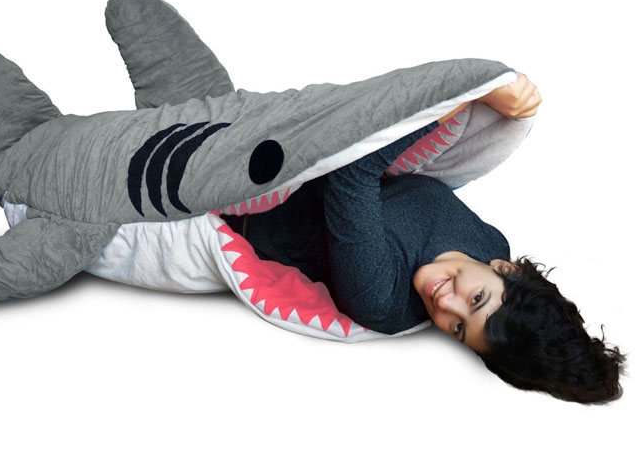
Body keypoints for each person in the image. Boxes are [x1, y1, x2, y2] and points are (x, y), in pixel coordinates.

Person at [222, 74, 627, 405]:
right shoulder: (490, 243)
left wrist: (456, 101)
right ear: (505, 268)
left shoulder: (381, 299)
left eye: (458, 328)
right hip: (294, 140)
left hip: (249, 191)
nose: (445, 304)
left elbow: (353, 172)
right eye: (476, 299)